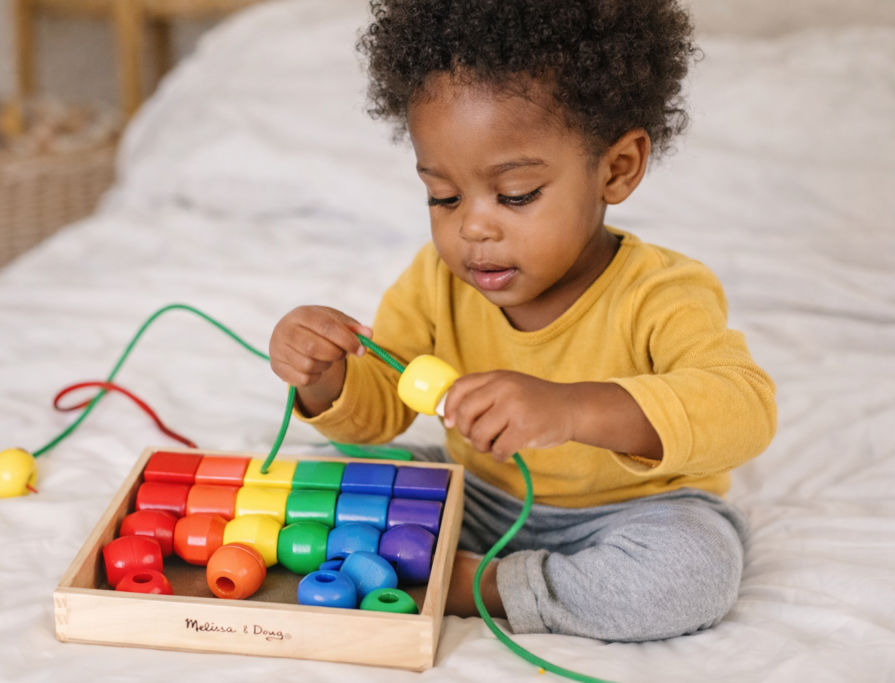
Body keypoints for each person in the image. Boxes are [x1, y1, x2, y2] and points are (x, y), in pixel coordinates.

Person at [268, 0, 776, 642]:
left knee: (693, 572)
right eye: (444, 196)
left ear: (617, 169)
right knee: (324, 472)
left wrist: (572, 408)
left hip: (634, 512)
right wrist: (324, 377)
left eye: (515, 195)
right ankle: (433, 555)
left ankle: (479, 584)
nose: (473, 227)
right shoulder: (435, 279)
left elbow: (744, 407)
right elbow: (379, 412)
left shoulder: (662, 292)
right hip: (480, 494)